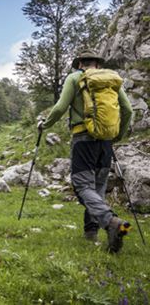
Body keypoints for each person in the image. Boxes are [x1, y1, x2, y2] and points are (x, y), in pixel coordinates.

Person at [38, 49, 133, 253]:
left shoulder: (74, 78)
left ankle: (111, 222)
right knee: (97, 189)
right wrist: (117, 136)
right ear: (97, 64)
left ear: (80, 63)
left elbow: (60, 107)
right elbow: (128, 110)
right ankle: (92, 234)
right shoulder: (110, 80)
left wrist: (44, 126)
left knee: (82, 187)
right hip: (105, 142)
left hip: (83, 140)